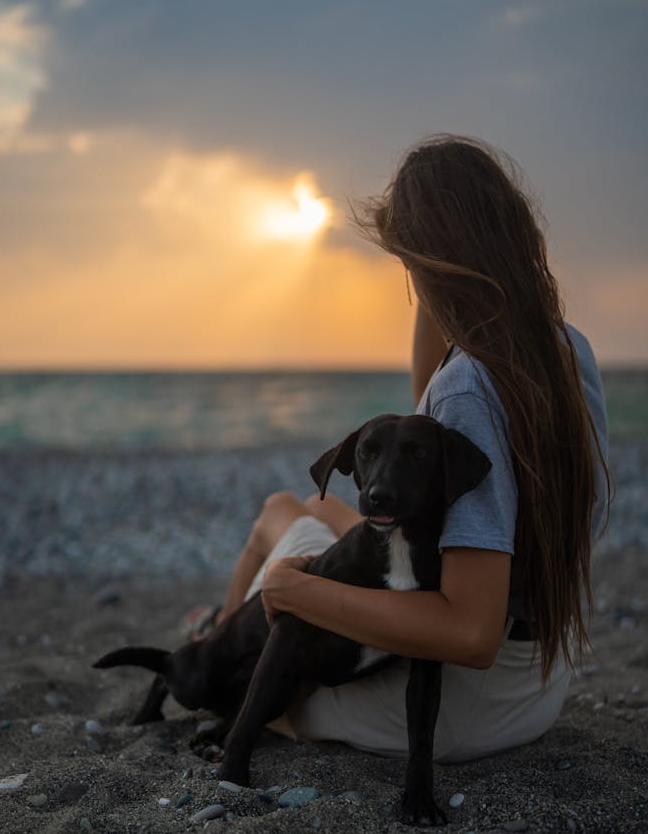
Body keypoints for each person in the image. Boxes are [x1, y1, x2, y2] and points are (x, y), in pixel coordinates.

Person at [207, 135, 610, 763]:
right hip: (535, 684)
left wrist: (297, 593)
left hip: (455, 706)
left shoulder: (470, 388)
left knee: (278, 560)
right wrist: (435, 285)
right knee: (294, 509)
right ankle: (216, 628)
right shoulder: (563, 346)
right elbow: (432, 408)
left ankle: (213, 653)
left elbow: (470, 633)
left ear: (424, 258)